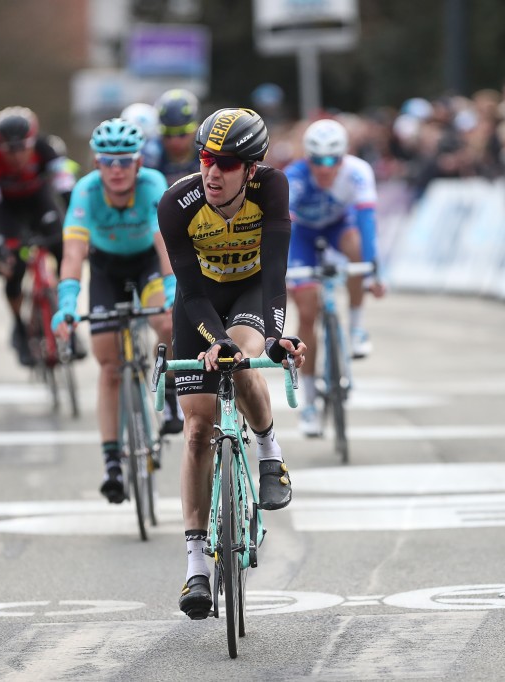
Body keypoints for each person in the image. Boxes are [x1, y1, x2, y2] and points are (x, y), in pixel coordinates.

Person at [157, 107, 306, 619]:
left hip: (250, 291)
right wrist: (212, 339)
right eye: (204, 160)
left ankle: (269, 451)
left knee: (242, 361)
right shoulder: (178, 203)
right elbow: (191, 291)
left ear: (252, 168)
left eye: (226, 163)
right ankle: (197, 565)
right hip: (198, 303)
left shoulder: (273, 189)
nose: (212, 173)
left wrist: (280, 336)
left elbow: (275, 277)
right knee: (197, 430)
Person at [52, 118, 181, 503]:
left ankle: (171, 387)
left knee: (165, 321)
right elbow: (73, 253)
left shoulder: (153, 185)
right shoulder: (85, 192)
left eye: (125, 161)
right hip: (106, 268)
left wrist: (173, 286)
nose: (117, 169)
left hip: (147, 265)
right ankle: (112, 461)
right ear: (96, 164)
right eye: (108, 162)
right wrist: (65, 306)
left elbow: (166, 244)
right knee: (108, 363)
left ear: (139, 163)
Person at [285, 118, 385, 436]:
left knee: (356, 249)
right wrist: (280, 273)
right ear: (307, 157)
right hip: (301, 235)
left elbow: (368, 224)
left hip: (339, 227)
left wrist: (373, 272)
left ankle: (356, 329)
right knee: (307, 311)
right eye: (317, 160)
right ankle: (310, 404)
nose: (325, 168)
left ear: (344, 156)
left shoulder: (358, 172)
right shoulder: (295, 178)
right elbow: (281, 227)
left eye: (332, 160)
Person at [0, 106, 76, 367]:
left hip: (38, 203)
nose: (17, 155)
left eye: (23, 147)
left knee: (64, 247)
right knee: (14, 266)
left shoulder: (46, 149)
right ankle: (19, 329)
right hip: (6, 211)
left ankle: (67, 317)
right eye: (9, 150)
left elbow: (67, 192)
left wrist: (78, 227)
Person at [152, 89, 202, 185]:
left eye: (182, 134)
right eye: (168, 134)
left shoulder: (208, 158)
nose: (174, 141)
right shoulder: (152, 161)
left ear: (196, 129)